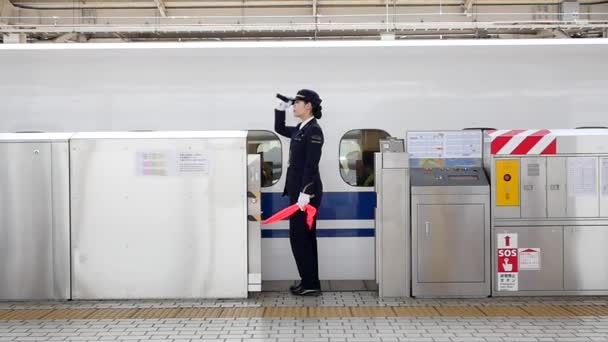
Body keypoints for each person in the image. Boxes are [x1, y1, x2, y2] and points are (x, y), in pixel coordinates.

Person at [274, 89, 324, 296]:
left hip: (306, 195)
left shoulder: (314, 131)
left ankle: (310, 283)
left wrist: (304, 194)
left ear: (309, 105)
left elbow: (311, 165)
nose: (294, 106)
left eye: (297, 102)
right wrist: (280, 107)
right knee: (304, 237)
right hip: (298, 194)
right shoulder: (301, 129)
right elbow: (278, 127)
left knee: (300, 237)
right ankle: (309, 281)